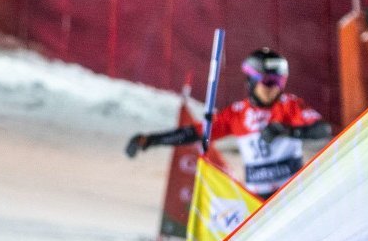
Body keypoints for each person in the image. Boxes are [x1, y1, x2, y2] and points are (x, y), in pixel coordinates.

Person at [125, 48, 331, 199]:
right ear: (251, 81)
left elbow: (323, 130)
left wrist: (289, 131)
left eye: (279, 82)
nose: (274, 89)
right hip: (258, 201)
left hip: (294, 194)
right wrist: (150, 140)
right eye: (268, 82)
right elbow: (196, 133)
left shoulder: (290, 106)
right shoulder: (237, 114)